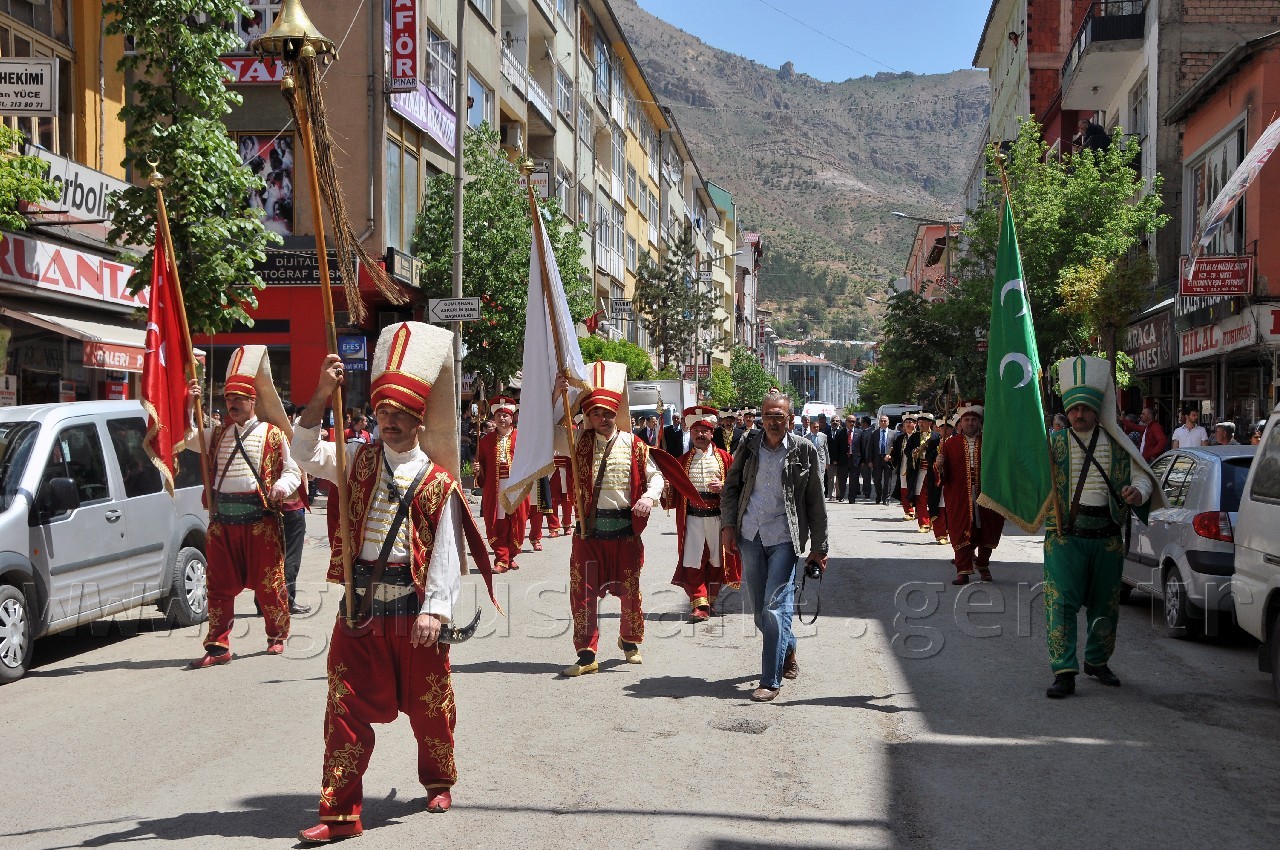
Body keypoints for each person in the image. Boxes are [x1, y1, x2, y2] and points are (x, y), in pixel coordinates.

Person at [291, 322, 497, 840]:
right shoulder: (353, 460)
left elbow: (446, 552)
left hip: (413, 613)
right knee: (343, 708)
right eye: (383, 412)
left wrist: (436, 610)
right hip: (359, 612)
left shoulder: (438, 481)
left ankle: (438, 779)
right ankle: (340, 813)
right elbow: (303, 453)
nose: (390, 421)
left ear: (419, 419)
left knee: (430, 710)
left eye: (400, 413)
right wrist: (322, 393)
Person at [1043, 355, 1163, 699]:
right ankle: (1064, 671)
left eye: (1085, 408)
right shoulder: (1052, 444)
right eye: (1073, 409)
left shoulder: (1119, 444)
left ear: (1097, 410)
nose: (1079, 414)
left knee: (1106, 605)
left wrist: (1138, 492)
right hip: (1065, 537)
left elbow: (1142, 476)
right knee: (1061, 603)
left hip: (1107, 535)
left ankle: (1097, 661)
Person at [186, 346, 301, 668]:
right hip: (222, 521)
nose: (232, 404)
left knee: (269, 585)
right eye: (228, 399)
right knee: (218, 587)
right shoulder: (217, 434)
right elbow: (187, 437)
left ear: (253, 401)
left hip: (260, 520)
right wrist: (189, 403)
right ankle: (218, 645)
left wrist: (281, 487)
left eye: (239, 399)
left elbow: (294, 470)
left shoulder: (273, 434)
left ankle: (277, 634)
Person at [555, 362, 665, 676]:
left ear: (616, 413)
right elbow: (551, 431)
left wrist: (648, 497)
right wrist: (559, 394)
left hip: (624, 533)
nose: (602, 419)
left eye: (607, 413)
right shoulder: (577, 442)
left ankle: (630, 640)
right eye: (596, 414)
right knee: (583, 594)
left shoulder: (635, 444)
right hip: (588, 534)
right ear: (587, 417)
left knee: (630, 593)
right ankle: (586, 653)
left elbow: (656, 477)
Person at [720, 390, 827, 702]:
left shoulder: (804, 449)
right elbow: (731, 487)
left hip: (784, 538)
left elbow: (816, 501)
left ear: (790, 419)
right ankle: (788, 645)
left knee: (774, 607)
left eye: (779, 416)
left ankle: (770, 680)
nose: (773, 421)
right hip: (750, 534)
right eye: (768, 415)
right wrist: (728, 525)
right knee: (759, 613)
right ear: (761, 418)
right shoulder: (749, 444)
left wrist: (820, 547)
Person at [667, 406, 740, 622]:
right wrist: (667, 487)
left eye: (704, 431)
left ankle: (712, 601)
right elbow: (672, 495)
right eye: (696, 431)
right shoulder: (681, 461)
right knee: (693, 561)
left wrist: (724, 486)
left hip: (718, 518)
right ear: (690, 433)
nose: (700, 435)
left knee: (717, 560)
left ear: (712, 433)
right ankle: (699, 603)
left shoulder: (726, 458)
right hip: (692, 518)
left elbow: (738, 487)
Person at [935, 403, 1005, 584]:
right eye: (966, 420)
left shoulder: (990, 442)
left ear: (980, 422)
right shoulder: (950, 444)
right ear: (961, 423)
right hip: (959, 495)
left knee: (987, 528)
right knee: (960, 529)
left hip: (986, 494)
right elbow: (942, 476)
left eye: (974, 419)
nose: (970, 423)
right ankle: (963, 570)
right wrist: (939, 465)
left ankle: (983, 565)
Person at [474, 395, 528, 572]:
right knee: (499, 520)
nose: (501, 419)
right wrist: (478, 469)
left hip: (516, 487)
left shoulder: (522, 438)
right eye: (498, 416)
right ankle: (501, 558)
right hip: (496, 487)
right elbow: (481, 464)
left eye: (505, 415)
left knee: (517, 520)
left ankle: (511, 555)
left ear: (512, 418)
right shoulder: (486, 441)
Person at [281, 401, 312, 616]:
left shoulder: (264, 435)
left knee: (272, 556)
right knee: (291, 556)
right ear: (291, 417)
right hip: (292, 505)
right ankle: (287, 601)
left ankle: (264, 601)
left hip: (269, 506)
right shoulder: (293, 438)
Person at [906, 413, 936, 531]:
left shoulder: (936, 436)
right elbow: (907, 450)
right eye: (920, 422)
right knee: (920, 497)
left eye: (924, 422)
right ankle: (924, 523)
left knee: (934, 497)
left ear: (930, 423)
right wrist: (913, 453)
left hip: (933, 472)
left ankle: (933, 520)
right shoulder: (914, 437)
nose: (921, 424)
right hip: (919, 472)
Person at [927, 417, 953, 544]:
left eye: (948, 428)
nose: (945, 430)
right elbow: (929, 458)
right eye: (942, 428)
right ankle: (940, 534)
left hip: (952, 480)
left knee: (951, 507)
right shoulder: (933, 443)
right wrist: (937, 460)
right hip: (936, 480)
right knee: (938, 506)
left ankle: (951, 532)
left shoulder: (957, 442)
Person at [889, 414, 919, 520]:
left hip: (916, 468)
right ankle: (908, 511)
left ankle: (919, 510)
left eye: (910, 422)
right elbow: (896, 452)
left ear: (915, 424)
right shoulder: (901, 438)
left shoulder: (919, 437)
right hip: (903, 466)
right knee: (904, 488)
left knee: (917, 489)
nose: (907, 425)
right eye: (906, 423)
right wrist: (891, 457)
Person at [871, 415, 894, 504]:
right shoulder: (874, 433)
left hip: (888, 459)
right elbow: (871, 447)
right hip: (877, 458)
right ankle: (878, 495)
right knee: (877, 479)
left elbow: (895, 447)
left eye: (885, 421)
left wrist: (890, 455)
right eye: (881, 421)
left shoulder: (893, 433)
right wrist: (869, 460)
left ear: (888, 422)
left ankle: (886, 498)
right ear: (879, 422)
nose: (883, 422)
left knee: (887, 480)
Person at [831, 415, 855, 502]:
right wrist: (835, 459)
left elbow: (862, 446)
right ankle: (841, 496)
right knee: (842, 479)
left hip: (854, 460)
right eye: (850, 421)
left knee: (853, 480)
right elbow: (835, 446)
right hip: (842, 459)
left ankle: (852, 498)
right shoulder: (840, 432)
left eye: (853, 421)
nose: (852, 423)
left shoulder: (858, 432)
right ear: (846, 422)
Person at [806, 419, 832, 500]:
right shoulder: (805, 437)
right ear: (810, 428)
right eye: (814, 427)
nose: (816, 428)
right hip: (810, 462)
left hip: (821, 462)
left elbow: (826, 450)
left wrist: (827, 462)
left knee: (821, 479)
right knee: (811, 480)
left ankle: (821, 497)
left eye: (817, 427)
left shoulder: (823, 436)